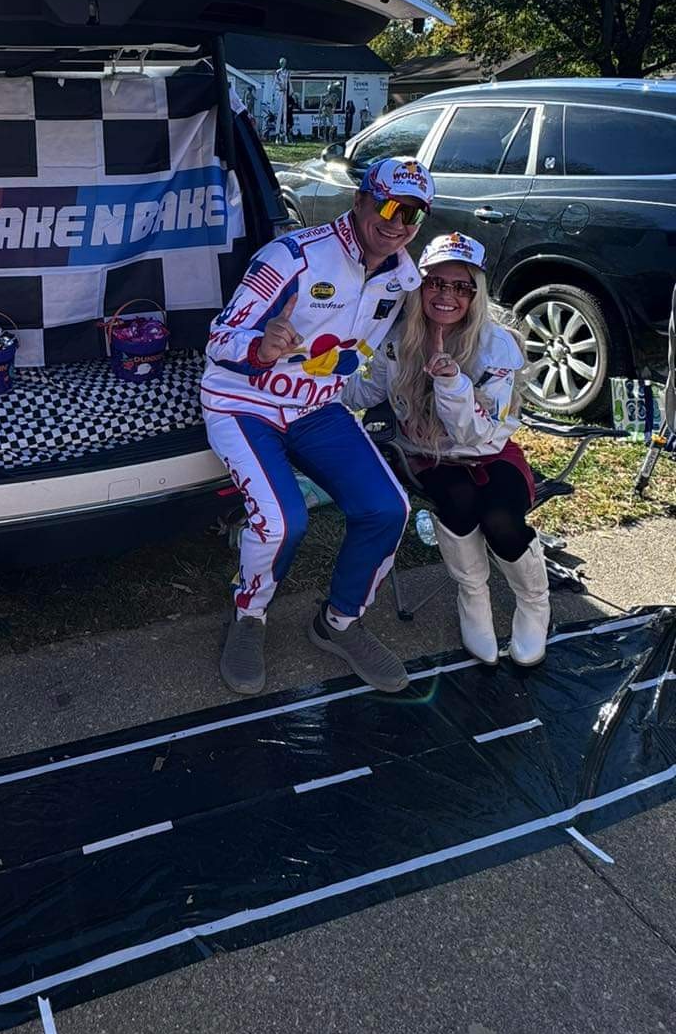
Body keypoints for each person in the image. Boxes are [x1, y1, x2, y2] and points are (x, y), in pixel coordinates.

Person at [202, 157, 436, 696]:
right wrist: (260, 346)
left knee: (388, 508)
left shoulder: (403, 277)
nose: (398, 223)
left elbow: (415, 336)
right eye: (389, 207)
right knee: (283, 523)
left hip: (315, 408)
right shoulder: (292, 256)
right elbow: (219, 340)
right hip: (244, 402)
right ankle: (248, 615)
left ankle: (339, 622)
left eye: (414, 214)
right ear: (359, 200)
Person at [344, 233, 549, 666]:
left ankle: (534, 602)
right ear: (420, 286)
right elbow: (365, 393)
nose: (446, 295)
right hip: (425, 453)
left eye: (461, 286)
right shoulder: (398, 337)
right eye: (436, 282)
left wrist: (451, 381)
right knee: (457, 499)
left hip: (488, 450)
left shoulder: (497, 346)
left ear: (476, 294)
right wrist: (313, 369)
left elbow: (474, 435)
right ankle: (473, 597)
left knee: (500, 517)